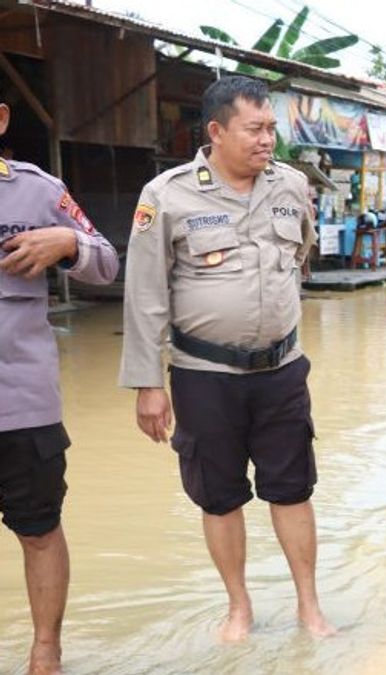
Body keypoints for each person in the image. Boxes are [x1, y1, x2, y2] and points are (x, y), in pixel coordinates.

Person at [118, 75, 332, 643]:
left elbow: (301, 255)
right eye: (255, 129)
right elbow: (144, 293)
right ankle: (239, 608)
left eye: (272, 128)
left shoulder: (289, 186)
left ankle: (309, 607)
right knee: (218, 494)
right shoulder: (167, 194)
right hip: (203, 375)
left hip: (283, 369)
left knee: (293, 488)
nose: (268, 141)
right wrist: (147, 382)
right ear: (216, 131)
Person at [0, 88, 119, 675]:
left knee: (40, 528)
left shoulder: (38, 189)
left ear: (0, 119)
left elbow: (108, 260)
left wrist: (69, 243)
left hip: (22, 407)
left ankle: (46, 650)